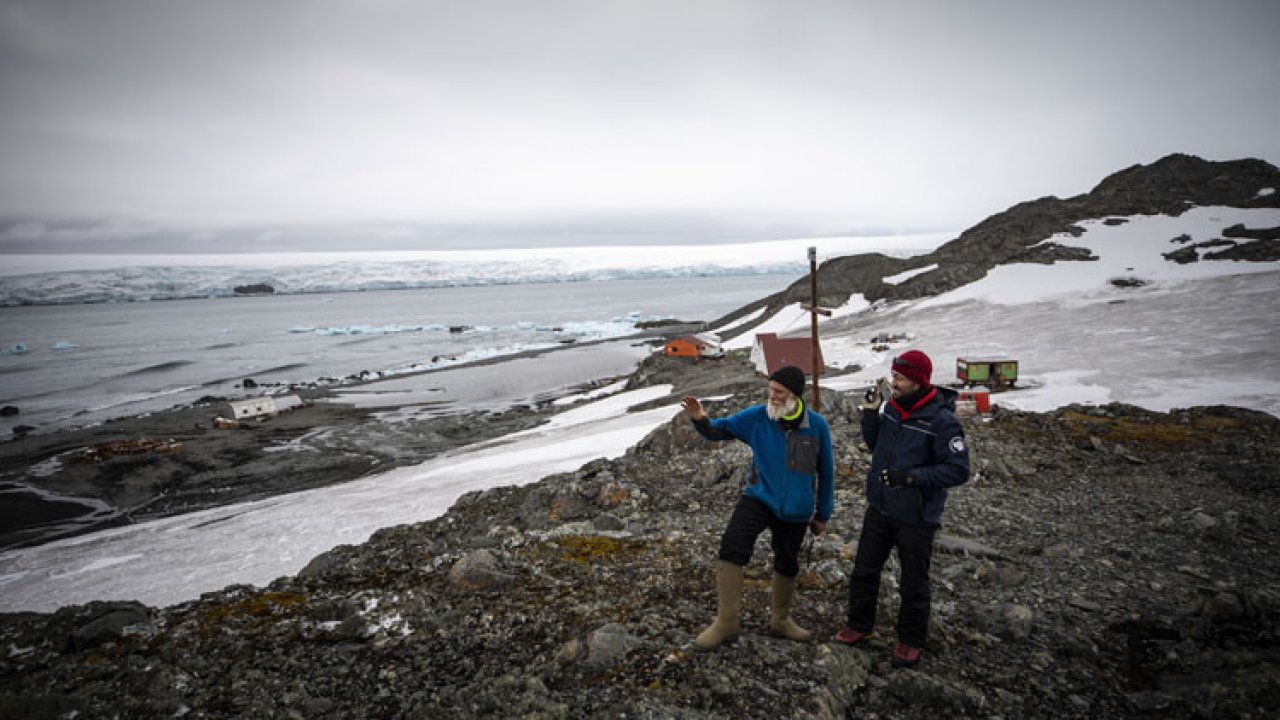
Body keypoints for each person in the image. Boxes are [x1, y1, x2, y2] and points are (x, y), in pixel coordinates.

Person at [681, 365, 835, 650]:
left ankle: (781, 621)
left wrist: (822, 513)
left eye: (779, 392)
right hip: (759, 497)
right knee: (732, 545)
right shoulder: (757, 418)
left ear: (794, 395)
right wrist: (701, 420)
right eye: (771, 390)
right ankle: (726, 623)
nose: (772, 396)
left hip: (797, 508)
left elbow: (827, 473)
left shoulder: (817, 426)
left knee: (787, 561)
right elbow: (720, 430)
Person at [834, 349, 970, 668]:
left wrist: (911, 478)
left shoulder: (942, 421)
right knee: (865, 570)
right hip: (881, 507)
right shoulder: (892, 409)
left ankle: (910, 640)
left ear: (919, 382)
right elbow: (876, 446)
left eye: (900, 377)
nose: (893, 382)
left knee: (913, 581)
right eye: (893, 375)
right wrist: (870, 413)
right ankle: (859, 625)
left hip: (917, 517)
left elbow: (958, 470)